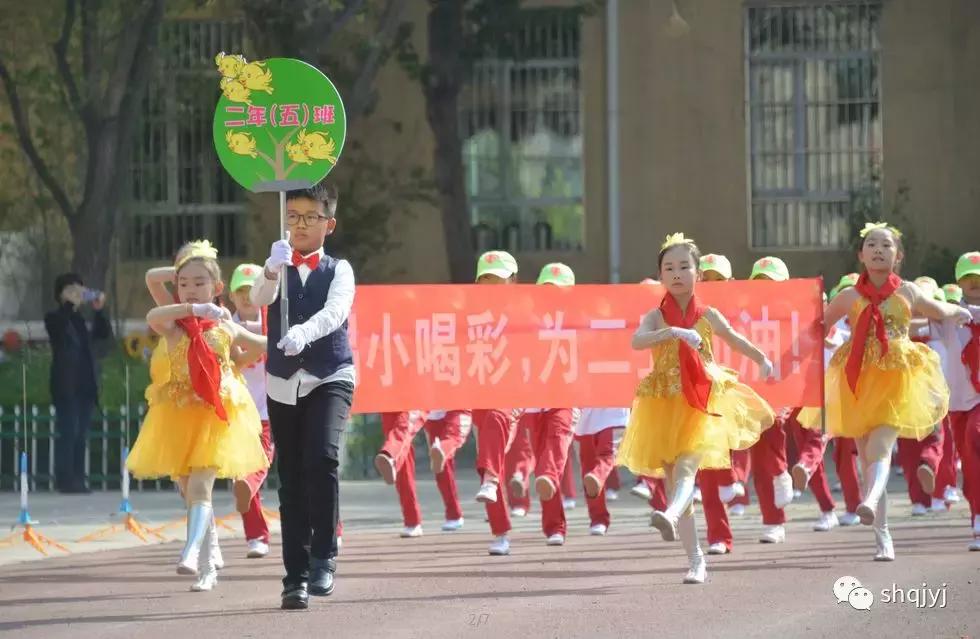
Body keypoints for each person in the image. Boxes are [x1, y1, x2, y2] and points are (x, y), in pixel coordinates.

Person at [617, 233, 775, 584]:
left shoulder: (708, 314)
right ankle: (696, 559)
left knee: (688, 468)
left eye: (684, 267)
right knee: (676, 476)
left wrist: (762, 358)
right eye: (669, 268)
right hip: (665, 403)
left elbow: (735, 338)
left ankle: (670, 513)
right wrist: (673, 332)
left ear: (698, 273)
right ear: (660, 276)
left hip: (702, 399)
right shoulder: (656, 316)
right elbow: (636, 341)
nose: (677, 274)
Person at [126, 240, 269, 592]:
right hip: (176, 417)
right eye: (184, 283)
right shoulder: (173, 324)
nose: (189, 289)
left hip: (214, 417)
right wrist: (191, 283)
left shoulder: (225, 326)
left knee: (202, 486)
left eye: (199, 282)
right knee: (189, 491)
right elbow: (152, 314)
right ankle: (211, 554)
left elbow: (260, 345)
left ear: (218, 287)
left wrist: (247, 359)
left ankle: (192, 555)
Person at [822, 223, 970, 561]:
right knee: (867, 459)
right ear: (861, 255)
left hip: (895, 378)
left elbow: (939, 310)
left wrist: (959, 311)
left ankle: (870, 501)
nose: (878, 250)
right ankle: (882, 536)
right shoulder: (849, 296)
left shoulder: (908, 292)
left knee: (881, 447)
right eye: (871, 244)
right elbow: (820, 324)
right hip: (857, 379)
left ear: (898, 256)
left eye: (885, 245)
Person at [250, 182, 356, 610]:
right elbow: (259, 299)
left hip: (331, 374)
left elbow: (336, 312)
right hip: (283, 382)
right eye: (292, 216)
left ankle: (324, 556)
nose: (300, 225)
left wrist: (303, 332)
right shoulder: (276, 261)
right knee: (290, 479)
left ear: (328, 224)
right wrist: (271, 271)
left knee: (323, 457)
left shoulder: (340, 269)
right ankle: (293, 577)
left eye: (310, 217)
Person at [470, 250, 521, 556]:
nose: (492, 285)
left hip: (516, 392)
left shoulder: (526, 311)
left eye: (498, 279)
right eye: (486, 279)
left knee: (496, 422)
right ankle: (500, 532)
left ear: (513, 281)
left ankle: (491, 478)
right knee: (490, 454)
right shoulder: (468, 316)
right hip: (478, 394)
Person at [44, 273, 112, 493]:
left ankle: (78, 479)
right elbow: (59, 330)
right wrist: (68, 305)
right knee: (69, 432)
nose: (76, 293)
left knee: (81, 434)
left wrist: (99, 309)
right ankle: (65, 480)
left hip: (85, 384)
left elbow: (103, 335)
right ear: (60, 294)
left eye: (79, 289)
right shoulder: (54, 317)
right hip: (66, 385)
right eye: (70, 289)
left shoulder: (83, 319)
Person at [745, 257, 795, 544]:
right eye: (760, 282)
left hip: (782, 388)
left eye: (772, 283)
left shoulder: (794, 314)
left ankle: (781, 474)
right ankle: (771, 520)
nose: (766, 289)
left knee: (774, 430)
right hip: (751, 388)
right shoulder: (745, 313)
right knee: (758, 456)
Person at [228, 263, 277, 559]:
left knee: (257, 466)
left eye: (252, 289)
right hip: (237, 414)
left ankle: (328, 528)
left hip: (272, 410)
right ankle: (256, 536)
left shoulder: (275, 320)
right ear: (232, 295)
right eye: (241, 291)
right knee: (242, 477)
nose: (247, 297)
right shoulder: (225, 326)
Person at [939, 251, 980, 550]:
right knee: (969, 463)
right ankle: (976, 515)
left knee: (975, 437)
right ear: (959, 282)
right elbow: (916, 327)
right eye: (968, 279)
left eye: (979, 278)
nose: (974, 283)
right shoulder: (947, 316)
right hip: (958, 403)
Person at [576, 406, 629, 536]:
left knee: (607, 453)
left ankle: (598, 475)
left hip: (614, 411)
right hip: (586, 413)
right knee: (588, 466)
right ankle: (597, 519)